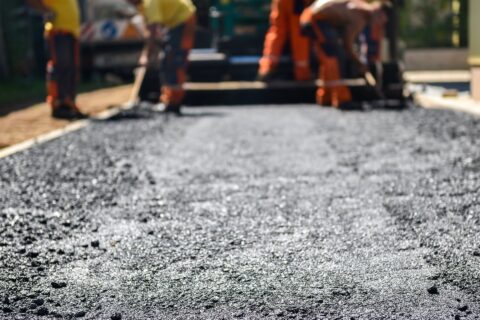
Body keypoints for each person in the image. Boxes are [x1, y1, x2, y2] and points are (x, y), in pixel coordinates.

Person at [299, 0, 389, 108]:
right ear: (378, 12)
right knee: (336, 56)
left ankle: (326, 96)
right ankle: (341, 99)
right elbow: (347, 45)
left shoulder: (359, 6)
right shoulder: (360, 16)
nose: (378, 24)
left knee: (328, 57)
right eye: (381, 21)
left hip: (312, 17)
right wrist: (359, 63)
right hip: (312, 18)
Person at [127, 0, 196, 115]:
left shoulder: (150, 3)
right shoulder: (143, 6)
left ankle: (173, 102)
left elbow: (153, 32)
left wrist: (146, 55)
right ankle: (169, 100)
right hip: (175, 23)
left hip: (183, 20)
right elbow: (152, 30)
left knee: (174, 61)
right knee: (167, 61)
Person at [28, 0, 87, 119]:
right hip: (57, 30)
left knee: (71, 68)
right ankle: (58, 104)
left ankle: (69, 102)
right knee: (60, 66)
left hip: (71, 31)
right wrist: (46, 11)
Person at [258, 0, 313, 82]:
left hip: (281, 2)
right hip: (297, 4)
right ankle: (302, 74)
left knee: (277, 32)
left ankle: (266, 69)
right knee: (299, 35)